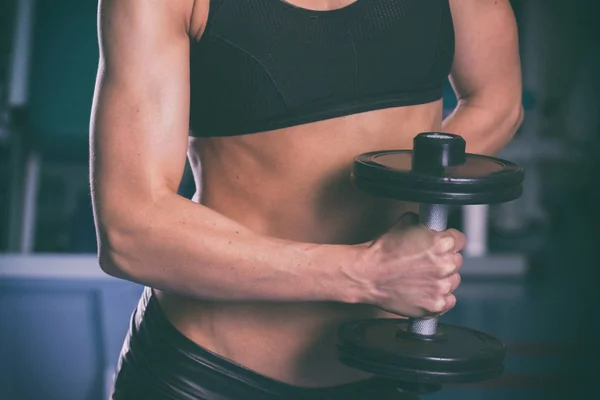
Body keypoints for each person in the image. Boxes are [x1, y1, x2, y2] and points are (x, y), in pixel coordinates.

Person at [90, 0, 523, 398]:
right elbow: (130, 230)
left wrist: (420, 196)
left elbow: (496, 100)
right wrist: (364, 273)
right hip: (206, 374)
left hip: (387, 369)